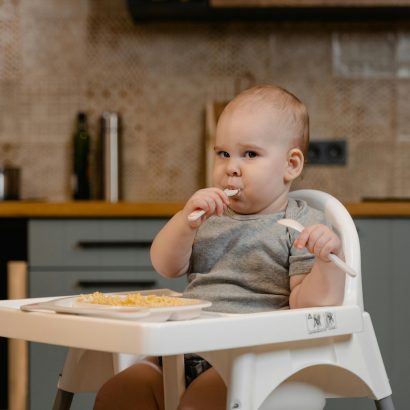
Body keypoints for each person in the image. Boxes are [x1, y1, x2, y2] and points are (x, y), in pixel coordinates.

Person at [93, 85, 346, 410]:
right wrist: (185, 222)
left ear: (291, 165)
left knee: (199, 402)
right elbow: (166, 266)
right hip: (181, 349)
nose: (231, 167)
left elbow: (308, 305)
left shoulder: (302, 225)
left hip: (250, 358)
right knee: (119, 392)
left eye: (250, 154)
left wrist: (327, 262)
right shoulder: (208, 216)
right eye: (223, 153)